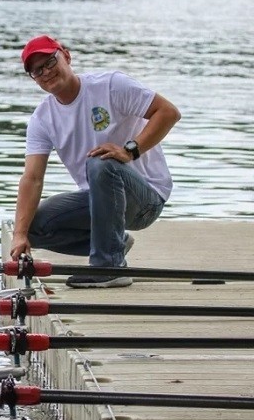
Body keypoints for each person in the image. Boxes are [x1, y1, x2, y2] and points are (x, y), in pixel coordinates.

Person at [10, 35, 181, 288]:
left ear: (66, 56)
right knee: (32, 226)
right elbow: (32, 178)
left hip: (146, 198)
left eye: (50, 61)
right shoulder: (42, 119)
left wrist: (130, 151)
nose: (46, 72)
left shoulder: (111, 85)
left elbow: (168, 112)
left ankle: (109, 267)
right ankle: (114, 243)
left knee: (100, 163)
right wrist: (19, 234)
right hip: (98, 201)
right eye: (37, 71)